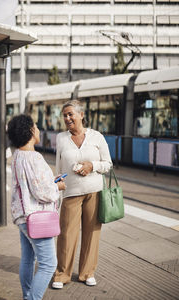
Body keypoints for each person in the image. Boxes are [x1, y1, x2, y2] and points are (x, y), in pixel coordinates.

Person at [52, 100, 112, 289]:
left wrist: (92, 166)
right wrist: (58, 187)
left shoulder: (97, 137)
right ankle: (62, 275)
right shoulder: (61, 138)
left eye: (71, 114)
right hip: (71, 193)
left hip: (94, 191)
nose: (67, 118)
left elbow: (108, 164)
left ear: (81, 115)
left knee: (91, 234)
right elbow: (59, 167)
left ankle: (87, 273)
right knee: (66, 235)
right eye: (65, 115)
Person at [7, 114, 66, 300]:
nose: (39, 130)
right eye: (36, 126)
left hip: (23, 217)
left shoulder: (17, 156)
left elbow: (30, 185)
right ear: (31, 131)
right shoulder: (34, 157)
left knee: (28, 258)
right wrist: (57, 185)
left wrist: (50, 181)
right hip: (37, 218)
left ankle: (27, 295)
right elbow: (43, 192)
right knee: (49, 263)